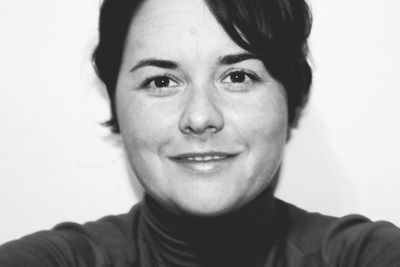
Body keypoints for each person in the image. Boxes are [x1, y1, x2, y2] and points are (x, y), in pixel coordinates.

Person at [1, 0, 400, 266]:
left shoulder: (366, 254)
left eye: (238, 76)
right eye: (161, 81)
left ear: (292, 100)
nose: (199, 116)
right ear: (116, 105)